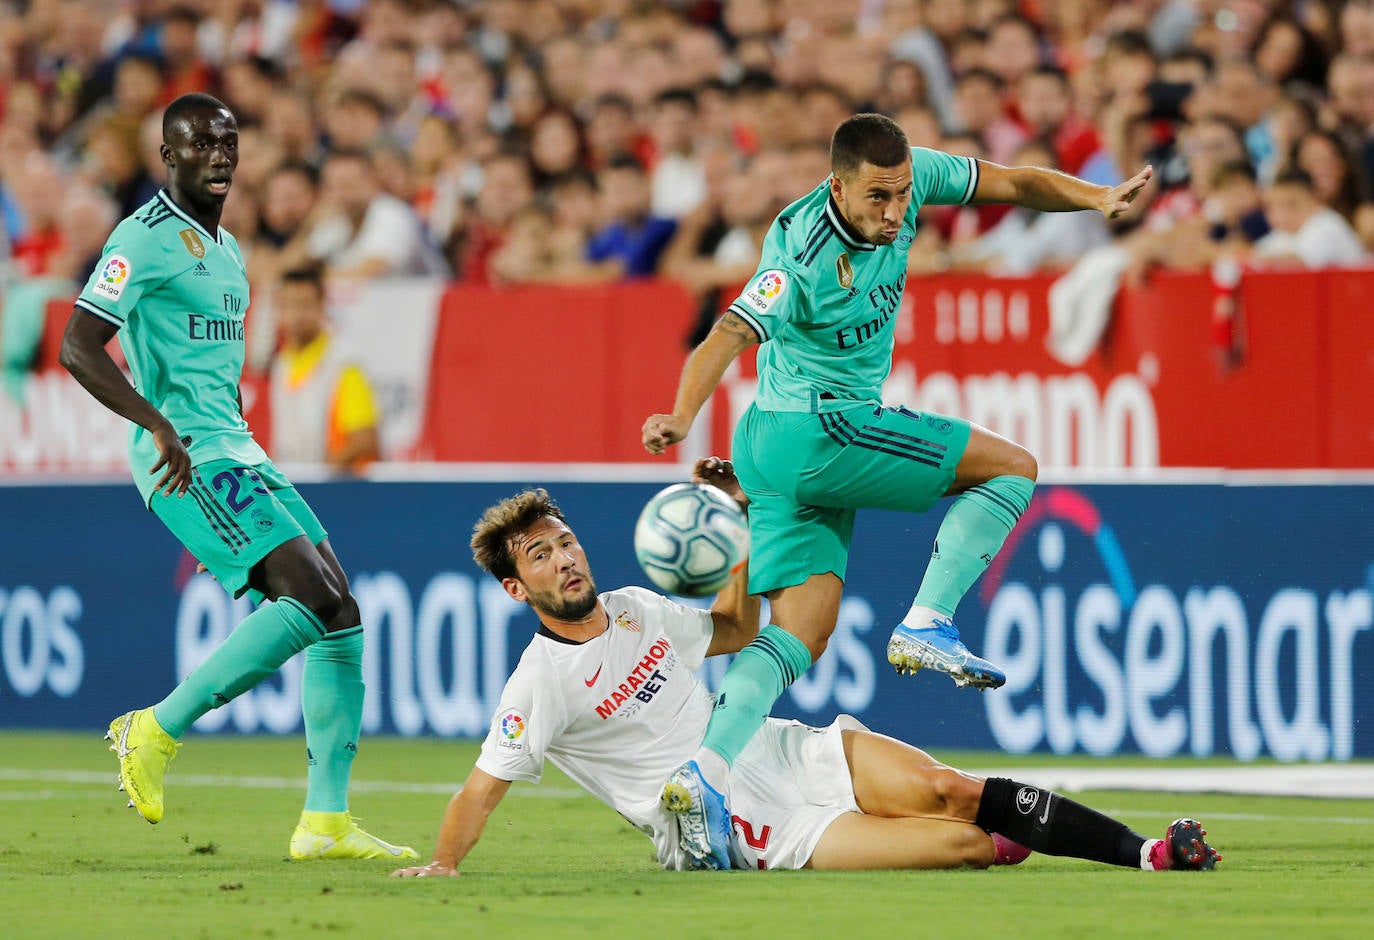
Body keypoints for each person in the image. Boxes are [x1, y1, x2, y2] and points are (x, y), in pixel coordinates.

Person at [640, 113, 1151, 862]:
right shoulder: (798, 249)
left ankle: (704, 777)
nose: (893, 211)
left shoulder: (915, 179)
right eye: (876, 197)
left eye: (902, 194)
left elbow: (1010, 183)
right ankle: (929, 620)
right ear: (837, 186)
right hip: (820, 428)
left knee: (798, 633)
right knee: (1012, 468)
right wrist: (682, 413)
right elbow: (726, 334)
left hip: (774, 445)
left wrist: (1095, 195)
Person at [390, 464, 1219, 876]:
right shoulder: (540, 680)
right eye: (540, 556)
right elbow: (480, 789)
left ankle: (1149, 853)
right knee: (966, 845)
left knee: (951, 788)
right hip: (754, 826)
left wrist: (742, 530)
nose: (565, 560)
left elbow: (732, 630)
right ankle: (1006, 838)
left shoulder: (638, 607)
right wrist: (445, 866)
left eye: (564, 541)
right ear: (515, 586)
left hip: (780, 747)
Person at [57, 93, 415, 861]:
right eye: (198, 145)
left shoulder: (227, 252)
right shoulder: (141, 238)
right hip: (184, 456)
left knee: (341, 612)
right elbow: (79, 345)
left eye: (228, 143)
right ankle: (153, 730)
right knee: (311, 596)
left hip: (238, 449)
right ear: (168, 156)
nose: (218, 156)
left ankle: (325, 824)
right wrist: (154, 422)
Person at [269, 263, 382, 472]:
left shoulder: (344, 364)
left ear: (322, 306)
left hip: (334, 492)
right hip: (296, 487)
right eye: (287, 305)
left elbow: (365, 440)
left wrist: (321, 476)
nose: (295, 316)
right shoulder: (282, 364)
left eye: (304, 305)